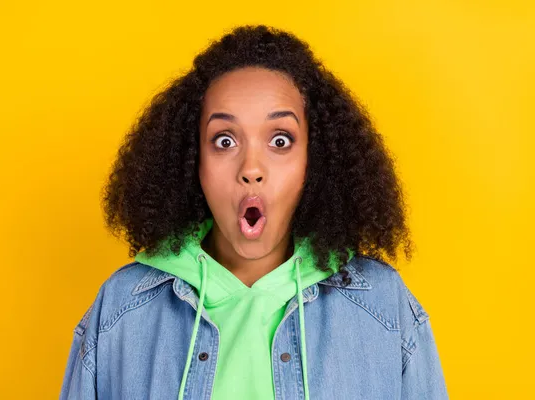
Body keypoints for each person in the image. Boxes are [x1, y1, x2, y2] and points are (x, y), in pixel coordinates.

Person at [59, 25, 448, 400]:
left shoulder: (383, 308)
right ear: (192, 160)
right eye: (224, 140)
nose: (251, 168)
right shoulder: (121, 310)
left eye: (280, 140)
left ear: (315, 160)